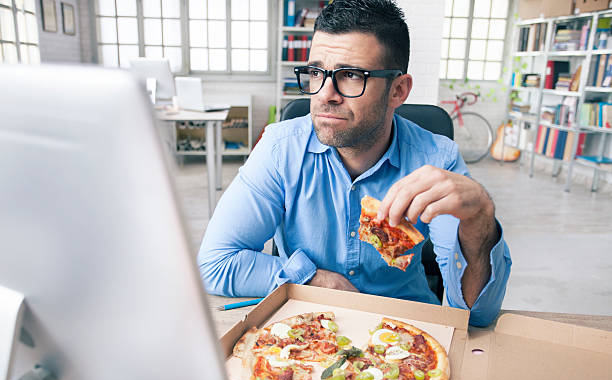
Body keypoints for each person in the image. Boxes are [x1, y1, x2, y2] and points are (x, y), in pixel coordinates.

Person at [198, 0, 511, 327]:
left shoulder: (438, 158)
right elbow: (216, 264)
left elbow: (477, 315)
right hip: (313, 331)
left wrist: (479, 221)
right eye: (317, 72)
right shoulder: (280, 149)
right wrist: (318, 279)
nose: (324, 94)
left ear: (398, 90)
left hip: (410, 334)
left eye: (350, 75)